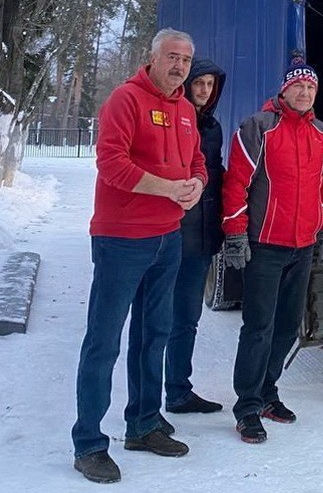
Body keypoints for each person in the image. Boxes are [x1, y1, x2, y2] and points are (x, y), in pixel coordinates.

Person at [72, 29, 206, 484]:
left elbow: (199, 164)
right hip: (121, 239)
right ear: (151, 58)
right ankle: (89, 442)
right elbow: (111, 163)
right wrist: (169, 188)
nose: (180, 66)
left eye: (187, 60)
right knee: (104, 341)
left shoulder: (187, 110)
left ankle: (144, 424)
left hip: (168, 238)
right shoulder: (125, 100)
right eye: (172, 57)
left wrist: (197, 186)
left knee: (154, 334)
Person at [221, 55, 323, 443]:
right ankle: (248, 406)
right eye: (297, 86)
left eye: (310, 87)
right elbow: (236, 182)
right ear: (284, 90)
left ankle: (268, 392)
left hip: (302, 246)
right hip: (264, 246)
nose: (304, 92)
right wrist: (235, 233)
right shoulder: (258, 127)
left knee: (288, 328)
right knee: (259, 327)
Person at [164, 59, 226, 415]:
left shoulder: (213, 127)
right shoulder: (172, 119)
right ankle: (146, 400)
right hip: (169, 233)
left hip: (201, 238)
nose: (203, 91)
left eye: (209, 85)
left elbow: (214, 177)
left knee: (187, 318)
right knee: (159, 319)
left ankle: (178, 390)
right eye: (198, 83)